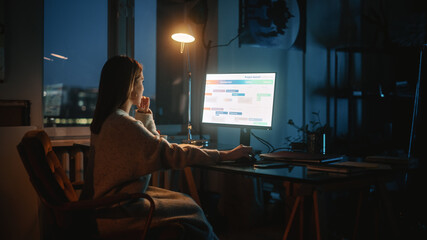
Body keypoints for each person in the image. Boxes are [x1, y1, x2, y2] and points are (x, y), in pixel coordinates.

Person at [83, 55, 253, 239]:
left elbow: (150, 146)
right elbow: (169, 154)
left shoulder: (109, 119)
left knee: (186, 201)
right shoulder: (123, 124)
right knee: (192, 210)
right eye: (141, 81)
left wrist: (143, 116)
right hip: (121, 212)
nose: (143, 87)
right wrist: (224, 155)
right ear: (130, 86)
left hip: (111, 205)